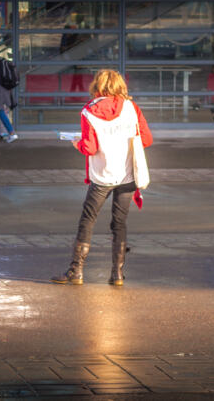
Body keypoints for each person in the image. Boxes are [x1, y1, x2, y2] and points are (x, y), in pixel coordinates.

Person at [52, 69, 153, 286]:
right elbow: (146, 139)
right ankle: (117, 274)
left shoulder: (88, 112)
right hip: (127, 176)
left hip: (101, 176)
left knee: (87, 220)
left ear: (97, 86)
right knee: (119, 223)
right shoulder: (131, 108)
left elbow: (89, 148)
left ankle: (76, 271)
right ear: (119, 85)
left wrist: (76, 143)